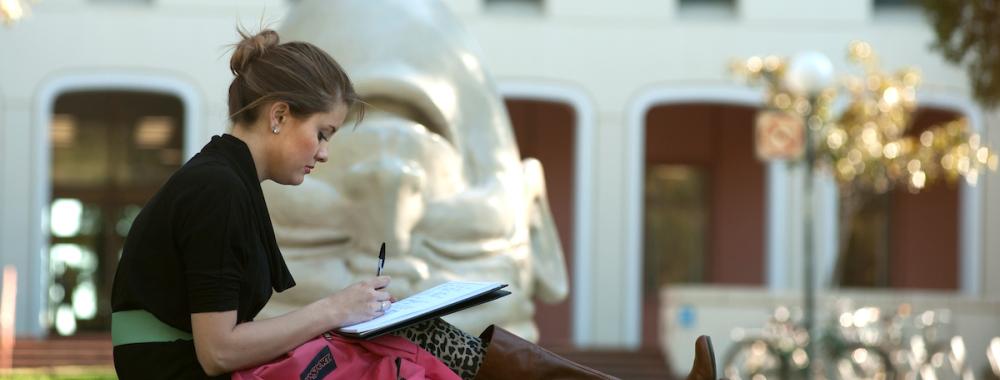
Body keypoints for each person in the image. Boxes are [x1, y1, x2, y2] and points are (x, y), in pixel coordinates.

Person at [110, 28, 615, 379]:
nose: (325, 153)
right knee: (410, 342)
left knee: (415, 332)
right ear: (280, 115)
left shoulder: (226, 181)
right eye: (323, 133)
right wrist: (334, 308)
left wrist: (343, 311)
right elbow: (218, 352)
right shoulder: (217, 190)